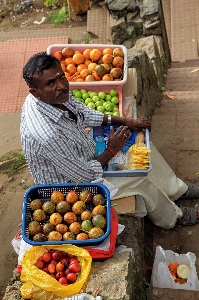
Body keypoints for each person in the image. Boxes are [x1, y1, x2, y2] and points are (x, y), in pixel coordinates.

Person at [20, 52, 199, 229]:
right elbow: (85, 175)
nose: (61, 85)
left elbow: (84, 112)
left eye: (61, 77)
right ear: (35, 92)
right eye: (51, 83)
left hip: (84, 157)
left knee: (142, 149)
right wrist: (112, 149)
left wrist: (125, 121)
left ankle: (177, 190)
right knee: (139, 178)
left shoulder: (55, 96)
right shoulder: (47, 135)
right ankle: (174, 217)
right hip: (71, 188)